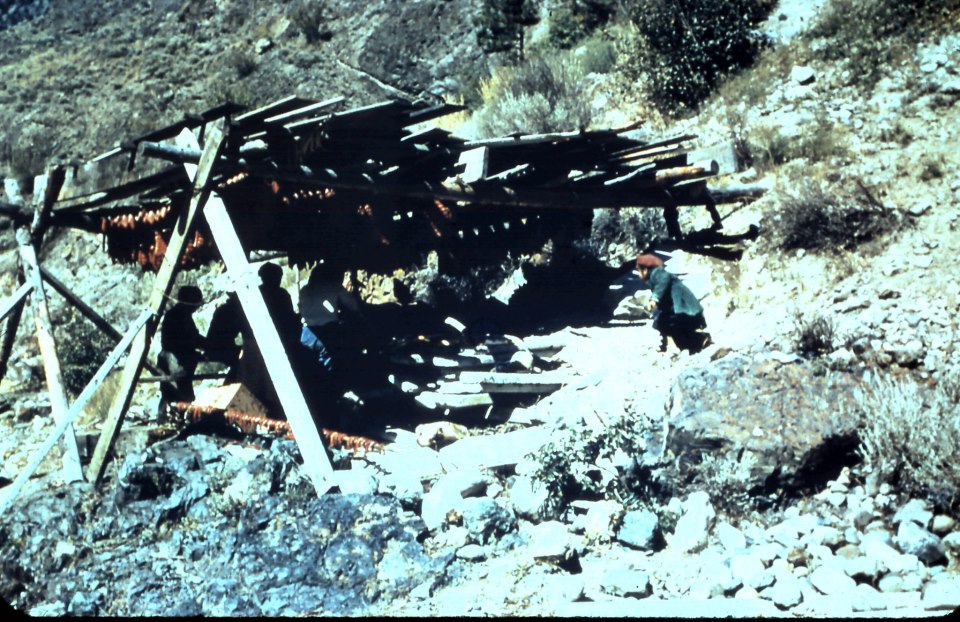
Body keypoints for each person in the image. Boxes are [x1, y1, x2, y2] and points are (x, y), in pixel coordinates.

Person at [635, 254, 710, 354]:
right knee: (663, 324)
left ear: (645, 269)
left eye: (639, 270)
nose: (638, 274)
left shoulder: (658, 273)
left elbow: (661, 284)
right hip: (678, 309)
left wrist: (654, 299)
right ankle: (677, 345)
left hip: (684, 308)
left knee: (669, 324)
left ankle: (699, 340)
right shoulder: (653, 277)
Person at [157, 285, 205, 419]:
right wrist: (208, 345)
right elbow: (187, 340)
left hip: (177, 361)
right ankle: (169, 422)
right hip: (173, 362)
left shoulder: (182, 315)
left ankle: (173, 420)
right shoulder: (176, 316)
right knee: (178, 397)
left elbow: (193, 338)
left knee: (177, 396)